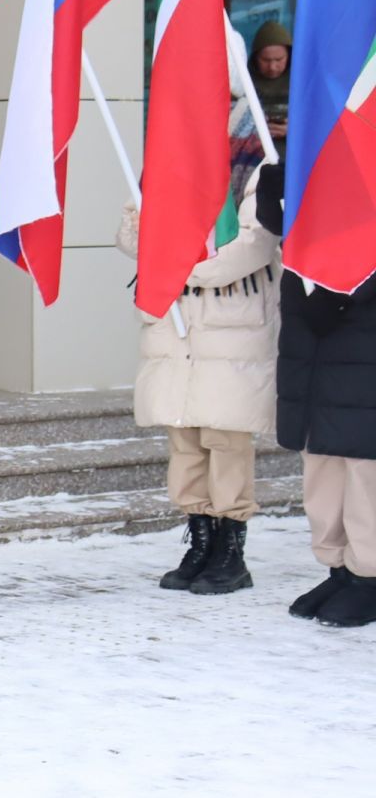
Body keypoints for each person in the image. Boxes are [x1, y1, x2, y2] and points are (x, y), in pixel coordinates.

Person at [114, 118, 279, 593]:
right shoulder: (165, 160)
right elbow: (128, 234)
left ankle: (231, 550)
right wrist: (160, 254)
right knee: (184, 435)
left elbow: (255, 242)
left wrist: (177, 264)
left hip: (232, 323)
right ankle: (201, 539)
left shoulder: (257, 159)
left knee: (225, 438)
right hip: (175, 322)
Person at [256, 162, 376, 628]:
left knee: (365, 472)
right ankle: (341, 567)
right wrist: (275, 190)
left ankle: (369, 574)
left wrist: (345, 290)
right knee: (322, 469)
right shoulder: (321, 152)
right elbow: (284, 225)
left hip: (362, 353)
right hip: (312, 354)